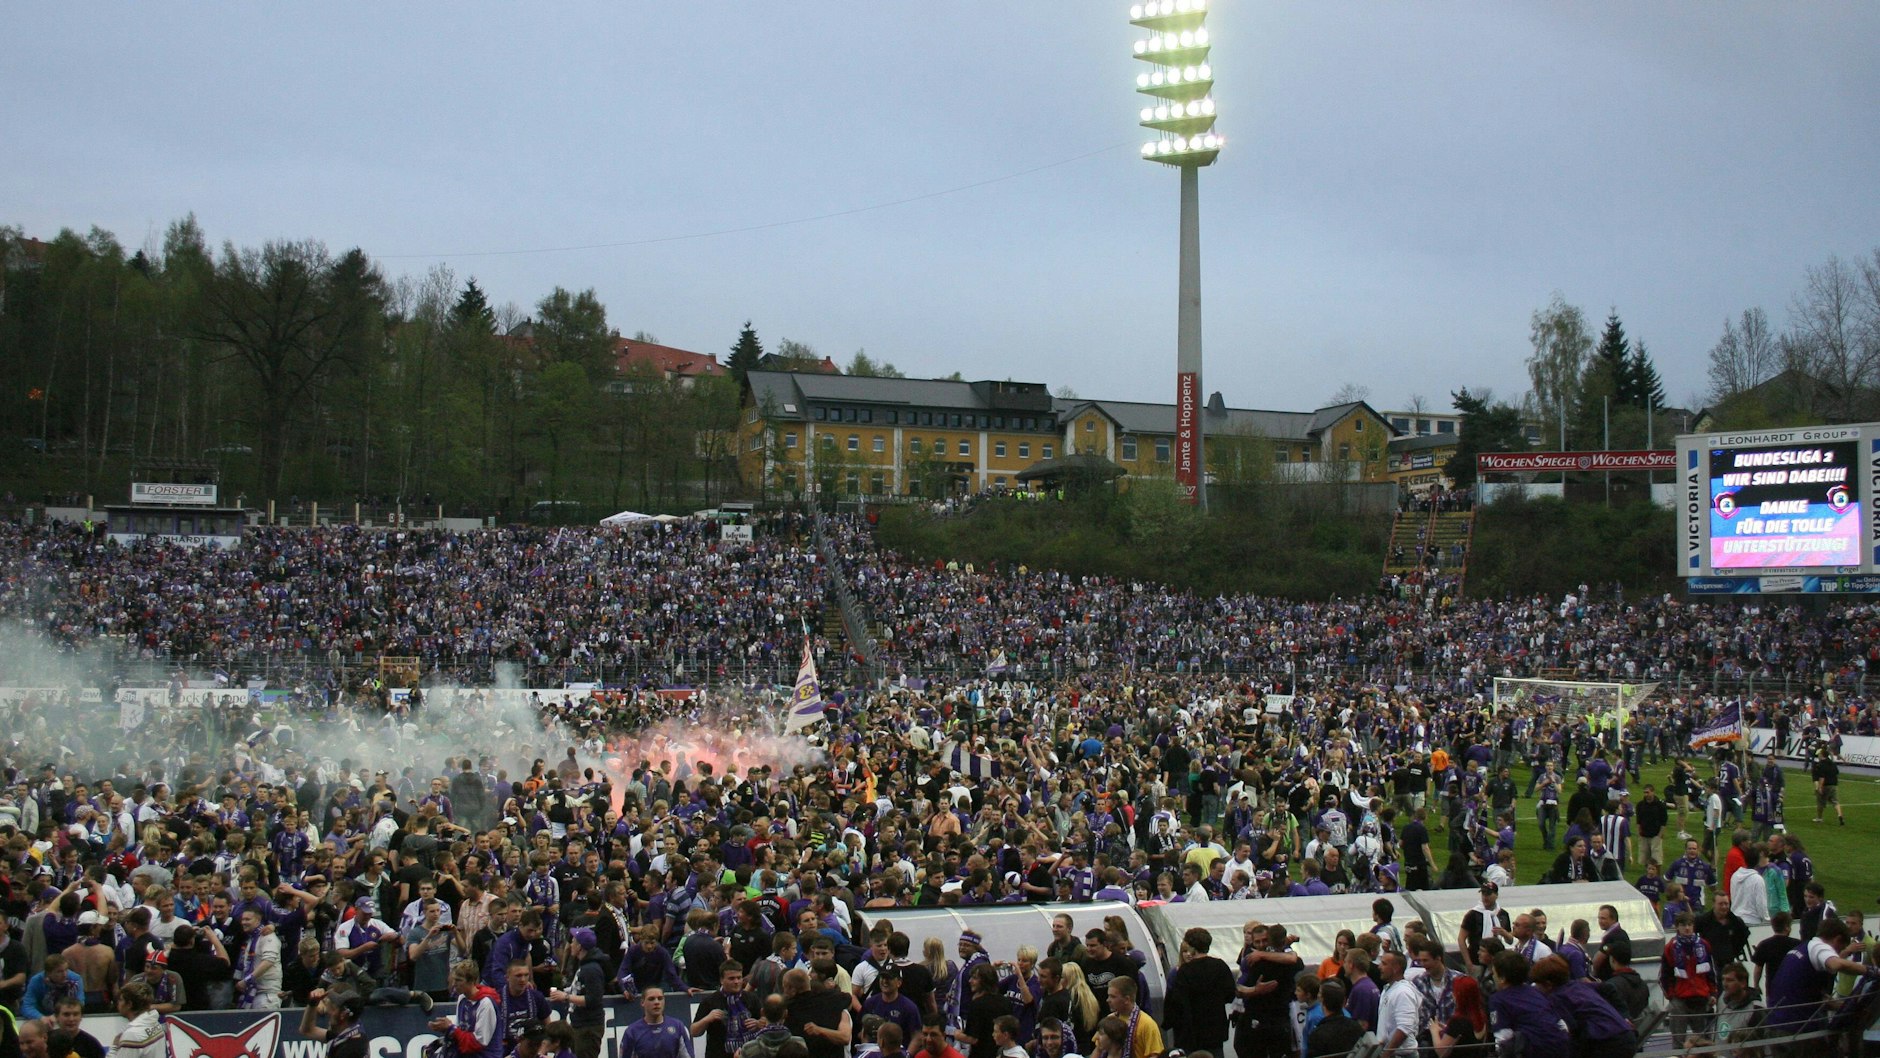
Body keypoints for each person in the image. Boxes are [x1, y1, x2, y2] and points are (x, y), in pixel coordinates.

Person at [1527, 956, 1633, 1058]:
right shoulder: (1579, 985)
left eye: (1537, 984)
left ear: (1548, 984)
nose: (1536, 987)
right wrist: (1624, 1015)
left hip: (1606, 1043)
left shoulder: (1557, 999)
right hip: (1625, 1034)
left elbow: (1573, 1030)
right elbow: (1608, 987)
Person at [1161, 928, 1234, 1058]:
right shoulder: (1220, 966)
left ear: (1191, 946)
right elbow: (1230, 994)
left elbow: (1177, 1002)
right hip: (1215, 1031)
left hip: (1190, 1033)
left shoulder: (1184, 971)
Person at [1485, 952, 1570, 1058]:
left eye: (1494, 973)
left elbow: (1503, 1038)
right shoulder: (1536, 992)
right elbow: (1561, 1024)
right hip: (1560, 1045)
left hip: (1533, 1049)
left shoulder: (1498, 1000)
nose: (1493, 977)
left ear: (1502, 978)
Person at [1659, 911, 1718, 1048]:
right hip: (1679, 999)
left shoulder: (1703, 945)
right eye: (1683, 925)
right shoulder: (1670, 948)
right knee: (1679, 1040)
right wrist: (1671, 995)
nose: (1687, 928)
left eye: (1690, 925)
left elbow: (1710, 972)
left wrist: (1713, 992)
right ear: (1677, 927)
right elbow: (1664, 975)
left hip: (1700, 997)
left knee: (1702, 1041)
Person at [551, 929, 609, 1058]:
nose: (571, 944)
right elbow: (581, 989)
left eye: (573, 942)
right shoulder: (584, 965)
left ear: (580, 947)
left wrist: (566, 997)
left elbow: (593, 999)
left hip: (588, 1027)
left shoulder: (591, 969)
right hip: (580, 1024)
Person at [430, 960, 503, 1058]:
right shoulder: (462, 998)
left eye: (459, 980)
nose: (454, 984)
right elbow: (461, 1030)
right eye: (454, 979)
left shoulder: (485, 1004)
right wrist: (446, 1029)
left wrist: (451, 1029)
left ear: (472, 981)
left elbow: (478, 1043)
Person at [621, 986, 695, 1058]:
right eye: (651, 999)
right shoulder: (632, 1031)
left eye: (660, 998)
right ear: (642, 1002)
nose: (656, 1002)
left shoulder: (677, 1026)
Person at [1374, 951, 1422, 1058]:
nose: (1379, 967)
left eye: (1384, 964)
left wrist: (1386, 1054)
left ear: (1396, 968)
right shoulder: (1388, 989)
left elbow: (1404, 1029)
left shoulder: (1403, 992)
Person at [299, 987, 369, 1058]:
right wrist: (313, 1004)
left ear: (343, 1015)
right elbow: (307, 1030)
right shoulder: (347, 1035)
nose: (328, 1012)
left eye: (333, 1008)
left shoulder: (350, 1050)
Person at [1427, 974, 1485, 1058]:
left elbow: (1442, 1052)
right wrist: (1448, 1029)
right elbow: (1467, 1036)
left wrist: (1434, 1031)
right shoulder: (1481, 1015)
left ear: (1459, 995)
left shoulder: (1458, 1021)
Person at [108, 983, 166, 1058]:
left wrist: (114, 1048)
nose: (118, 1003)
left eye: (121, 1000)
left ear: (129, 1004)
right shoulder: (155, 1023)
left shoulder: (132, 1035)